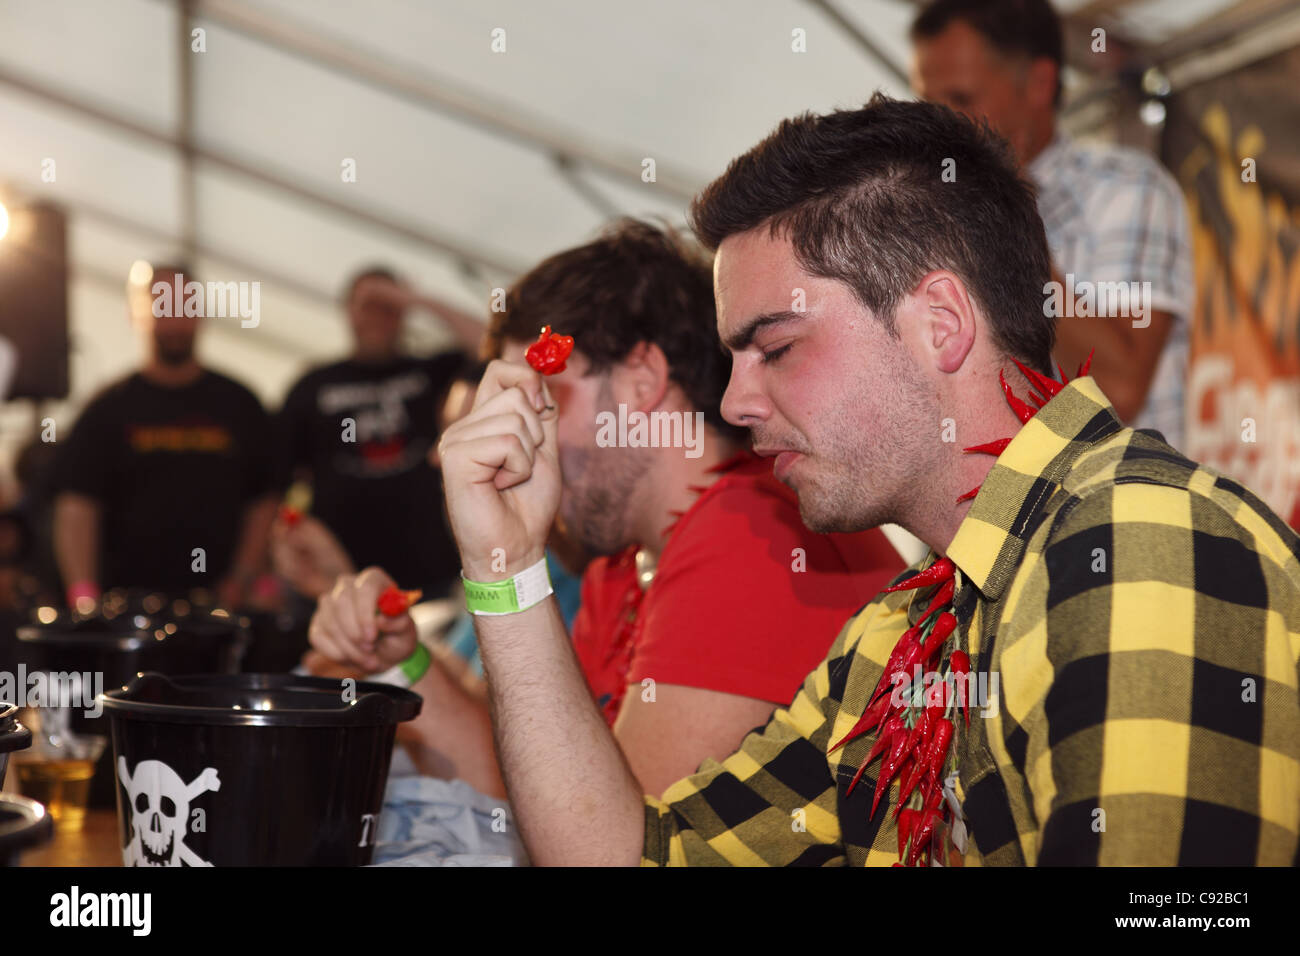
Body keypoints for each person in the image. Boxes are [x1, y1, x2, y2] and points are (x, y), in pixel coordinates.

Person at [434, 97, 1300, 866]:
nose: (736, 401)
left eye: (775, 349)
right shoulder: (905, 632)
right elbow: (627, 855)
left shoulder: (1141, 546)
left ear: (941, 325)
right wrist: (505, 567)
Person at [309, 219, 904, 801]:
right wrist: (404, 659)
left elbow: (614, 845)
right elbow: (532, 789)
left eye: (537, 398)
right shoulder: (622, 565)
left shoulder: (753, 533)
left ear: (641, 381)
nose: (518, 443)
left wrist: (506, 571)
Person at [910, 0, 1195, 451]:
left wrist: (1007, 216)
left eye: (961, 99)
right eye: (928, 104)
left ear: (1039, 83)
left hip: (1123, 512)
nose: (941, 125)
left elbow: (1118, 393)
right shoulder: (930, 210)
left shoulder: (1127, 188)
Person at [50, 262, 276, 608]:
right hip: (125, 610)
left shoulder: (240, 404)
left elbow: (264, 500)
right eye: (161, 304)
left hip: (221, 608)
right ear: (135, 312)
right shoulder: (106, 408)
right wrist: (83, 596)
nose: (173, 318)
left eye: (184, 304)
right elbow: (77, 506)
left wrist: (244, 577)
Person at [274, 269, 484, 601]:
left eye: (388, 306)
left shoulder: (429, 372)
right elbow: (279, 480)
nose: (377, 317)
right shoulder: (313, 384)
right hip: (340, 577)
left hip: (429, 574)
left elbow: (490, 342)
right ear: (348, 312)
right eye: (367, 305)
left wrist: (415, 299)